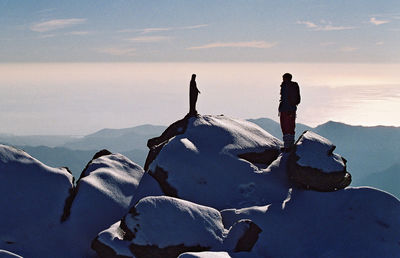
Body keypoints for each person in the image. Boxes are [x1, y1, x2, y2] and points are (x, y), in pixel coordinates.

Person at [279, 73, 301, 152]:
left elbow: (287, 98)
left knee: (287, 127)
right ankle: (288, 145)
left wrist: (289, 107)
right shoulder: (287, 86)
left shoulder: (288, 86)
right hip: (287, 109)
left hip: (287, 109)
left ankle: (288, 146)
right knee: (287, 127)